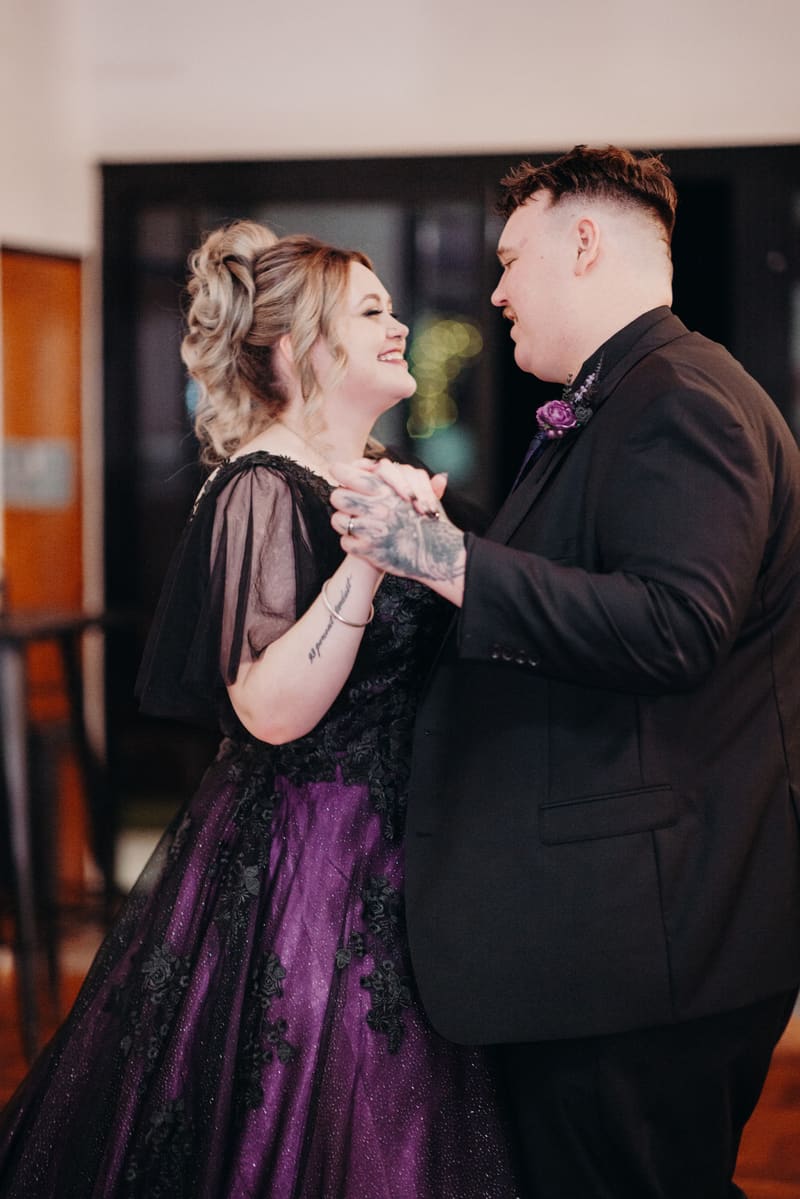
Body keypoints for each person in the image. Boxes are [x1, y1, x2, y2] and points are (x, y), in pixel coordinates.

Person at [0, 221, 520, 1198]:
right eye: (371, 310)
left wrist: (429, 533)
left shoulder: (379, 472)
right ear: (296, 348)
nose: (399, 325)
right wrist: (368, 558)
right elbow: (270, 710)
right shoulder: (257, 490)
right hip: (304, 871)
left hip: (405, 864)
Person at [329, 145, 800, 1198]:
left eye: (508, 258)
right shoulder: (633, 394)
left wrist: (446, 561)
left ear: (582, 243)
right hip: (622, 937)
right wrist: (452, 526)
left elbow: (674, 624)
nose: (492, 291)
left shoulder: (679, 397)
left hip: (646, 944)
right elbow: (589, 577)